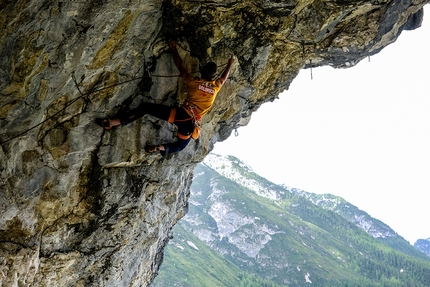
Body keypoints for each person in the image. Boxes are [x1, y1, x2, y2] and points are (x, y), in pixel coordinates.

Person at [97, 41, 235, 156]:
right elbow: (223, 78)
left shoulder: (194, 81)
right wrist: (230, 64)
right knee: (180, 146)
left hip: (180, 114)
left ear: (202, 71)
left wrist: (174, 48)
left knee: (145, 108)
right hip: (190, 124)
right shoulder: (216, 86)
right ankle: (160, 148)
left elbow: (181, 66)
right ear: (214, 76)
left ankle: (112, 122)